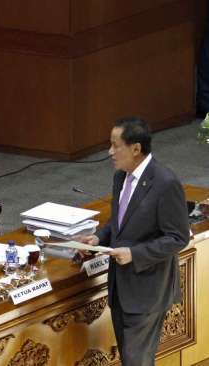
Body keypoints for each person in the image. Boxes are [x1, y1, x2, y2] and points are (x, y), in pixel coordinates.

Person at [78, 117, 189, 366]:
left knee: (136, 361)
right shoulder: (121, 177)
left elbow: (178, 237)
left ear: (136, 149)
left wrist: (135, 254)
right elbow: (119, 221)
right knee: (131, 359)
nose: (110, 152)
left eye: (115, 146)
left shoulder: (165, 183)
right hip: (121, 288)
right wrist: (99, 237)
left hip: (149, 290)